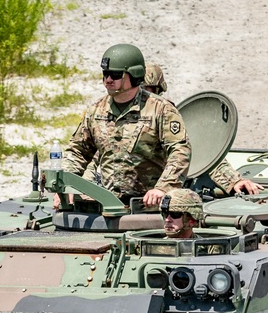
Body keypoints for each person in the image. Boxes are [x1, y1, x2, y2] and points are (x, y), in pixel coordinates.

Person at [59, 44, 190, 209]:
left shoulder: (160, 109)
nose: (108, 80)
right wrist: (67, 184)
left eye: (115, 75)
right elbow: (78, 151)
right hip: (107, 206)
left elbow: (180, 151)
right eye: (105, 74)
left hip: (150, 209)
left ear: (134, 75)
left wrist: (163, 187)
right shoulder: (96, 111)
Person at [142, 62, 261, 196]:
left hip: (156, 199)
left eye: (145, 88)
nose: (141, 94)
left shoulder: (167, 117)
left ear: (157, 90)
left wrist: (234, 181)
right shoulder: (115, 116)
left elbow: (202, 155)